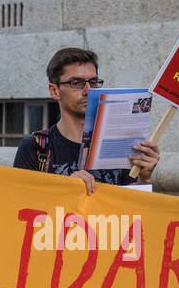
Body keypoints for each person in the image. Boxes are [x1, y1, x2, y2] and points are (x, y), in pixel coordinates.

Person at [13, 46, 161, 192]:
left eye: (94, 82)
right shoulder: (35, 147)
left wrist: (144, 179)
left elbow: (132, 208)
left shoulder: (119, 144)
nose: (88, 90)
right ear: (55, 91)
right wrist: (66, 191)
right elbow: (22, 208)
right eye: (76, 83)